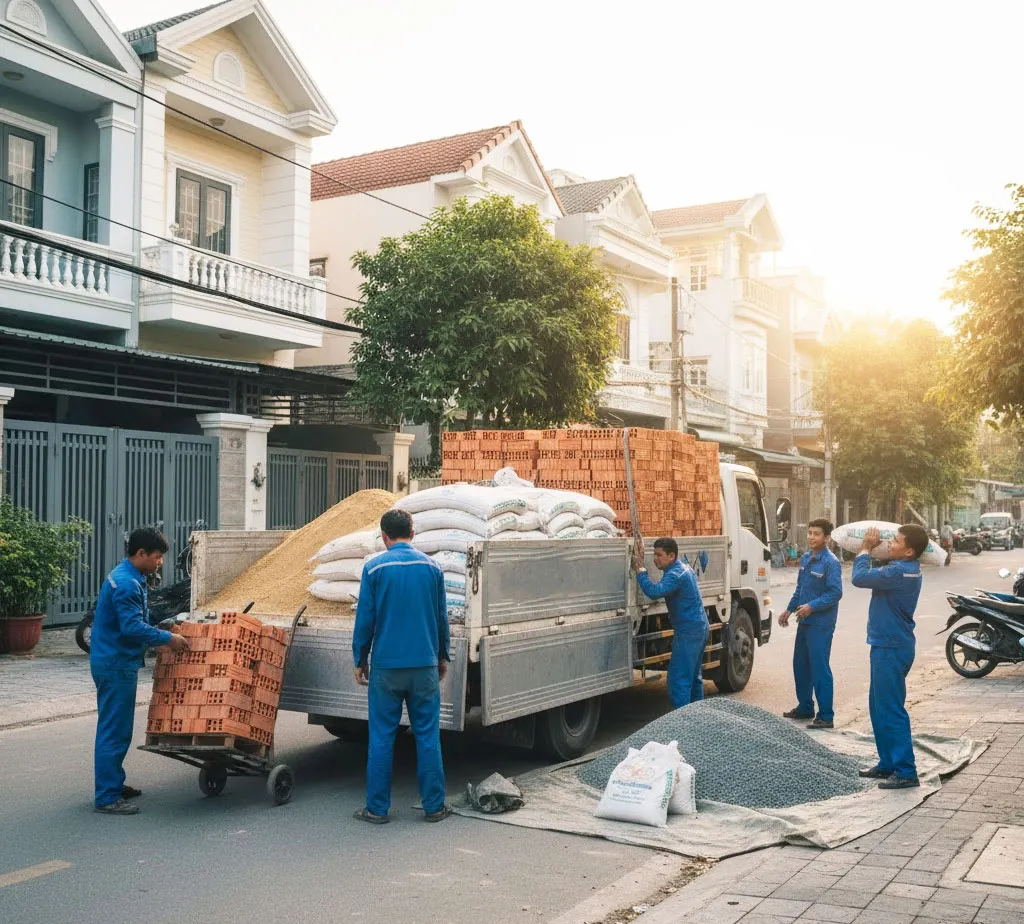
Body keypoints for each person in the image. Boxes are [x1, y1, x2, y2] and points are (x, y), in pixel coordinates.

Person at [352, 508, 451, 824]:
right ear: (413, 533)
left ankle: (377, 809)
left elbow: (365, 620)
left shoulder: (374, 569)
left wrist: (360, 659)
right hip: (424, 666)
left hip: (387, 669)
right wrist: (443, 656)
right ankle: (434, 807)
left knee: (382, 736)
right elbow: (442, 618)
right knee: (427, 735)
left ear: (384, 537)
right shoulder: (433, 568)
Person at [91, 527, 189, 815]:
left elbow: (136, 622)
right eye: (157, 557)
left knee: (116, 729)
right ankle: (107, 796)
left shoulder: (129, 576)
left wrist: (160, 630)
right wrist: (168, 638)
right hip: (115, 664)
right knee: (114, 731)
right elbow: (131, 628)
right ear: (141, 553)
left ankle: (114, 784)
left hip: (113, 659)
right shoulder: (127, 584)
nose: (160, 562)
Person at [851, 524, 927, 789]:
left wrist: (865, 548)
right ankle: (887, 763)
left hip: (891, 647)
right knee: (879, 707)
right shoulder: (908, 569)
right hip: (891, 644)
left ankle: (906, 771)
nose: (890, 543)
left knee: (891, 709)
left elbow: (859, 577)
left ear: (909, 551)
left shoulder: (897, 572)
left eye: (896, 541)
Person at [778, 518, 844, 729]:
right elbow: (801, 588)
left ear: (827, 538)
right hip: (804, 621)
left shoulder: (830, 562)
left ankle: (826, 715)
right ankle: (805, 707)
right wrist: (789, 609)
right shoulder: (807, 558)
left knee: (819, 667)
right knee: (800, 665)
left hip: (821, 624)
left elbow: (835, 592)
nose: (811, 537)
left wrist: (812, 606)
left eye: (816, 534)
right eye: (810, 533)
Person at [632, 537, 708, 708]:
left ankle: (682, 721)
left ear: (671, 556)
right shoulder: (684, 568)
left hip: (689, 632)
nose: (655, 559)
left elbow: (654, 591)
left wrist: (641, 571)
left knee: (678, 680)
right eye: (654, 554)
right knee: (694, 678)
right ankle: (698, 717)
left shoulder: (675, 575)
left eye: (659, 555)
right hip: (699, 627)